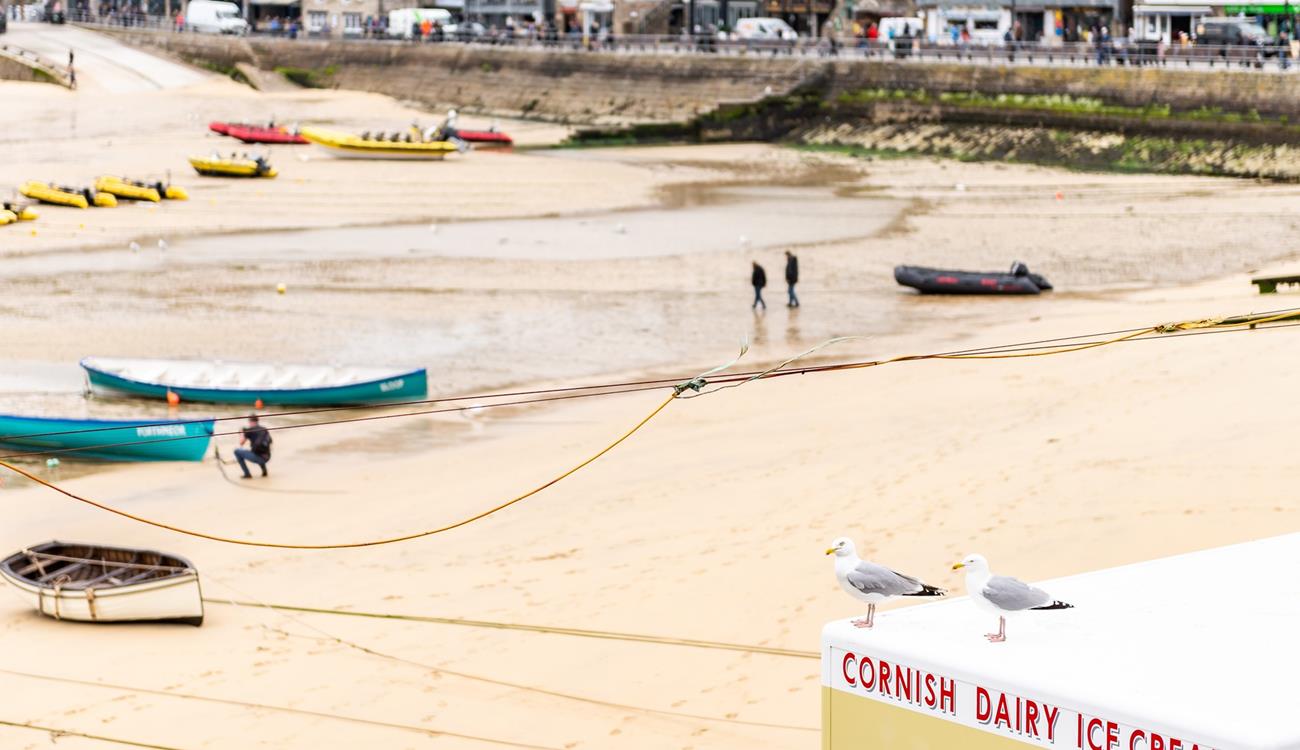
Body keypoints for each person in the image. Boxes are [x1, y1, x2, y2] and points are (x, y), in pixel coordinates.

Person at [235, 415, 272, 479]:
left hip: (258, 458)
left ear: (250, 421)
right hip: (267, 457)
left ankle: (247, 474)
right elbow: (270, 441)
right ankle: (264, 472)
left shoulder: (249, 430)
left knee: (237, 451)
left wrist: (242, 433)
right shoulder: (264, 429)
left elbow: (241, 443)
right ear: (257, 421)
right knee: (258, 450)